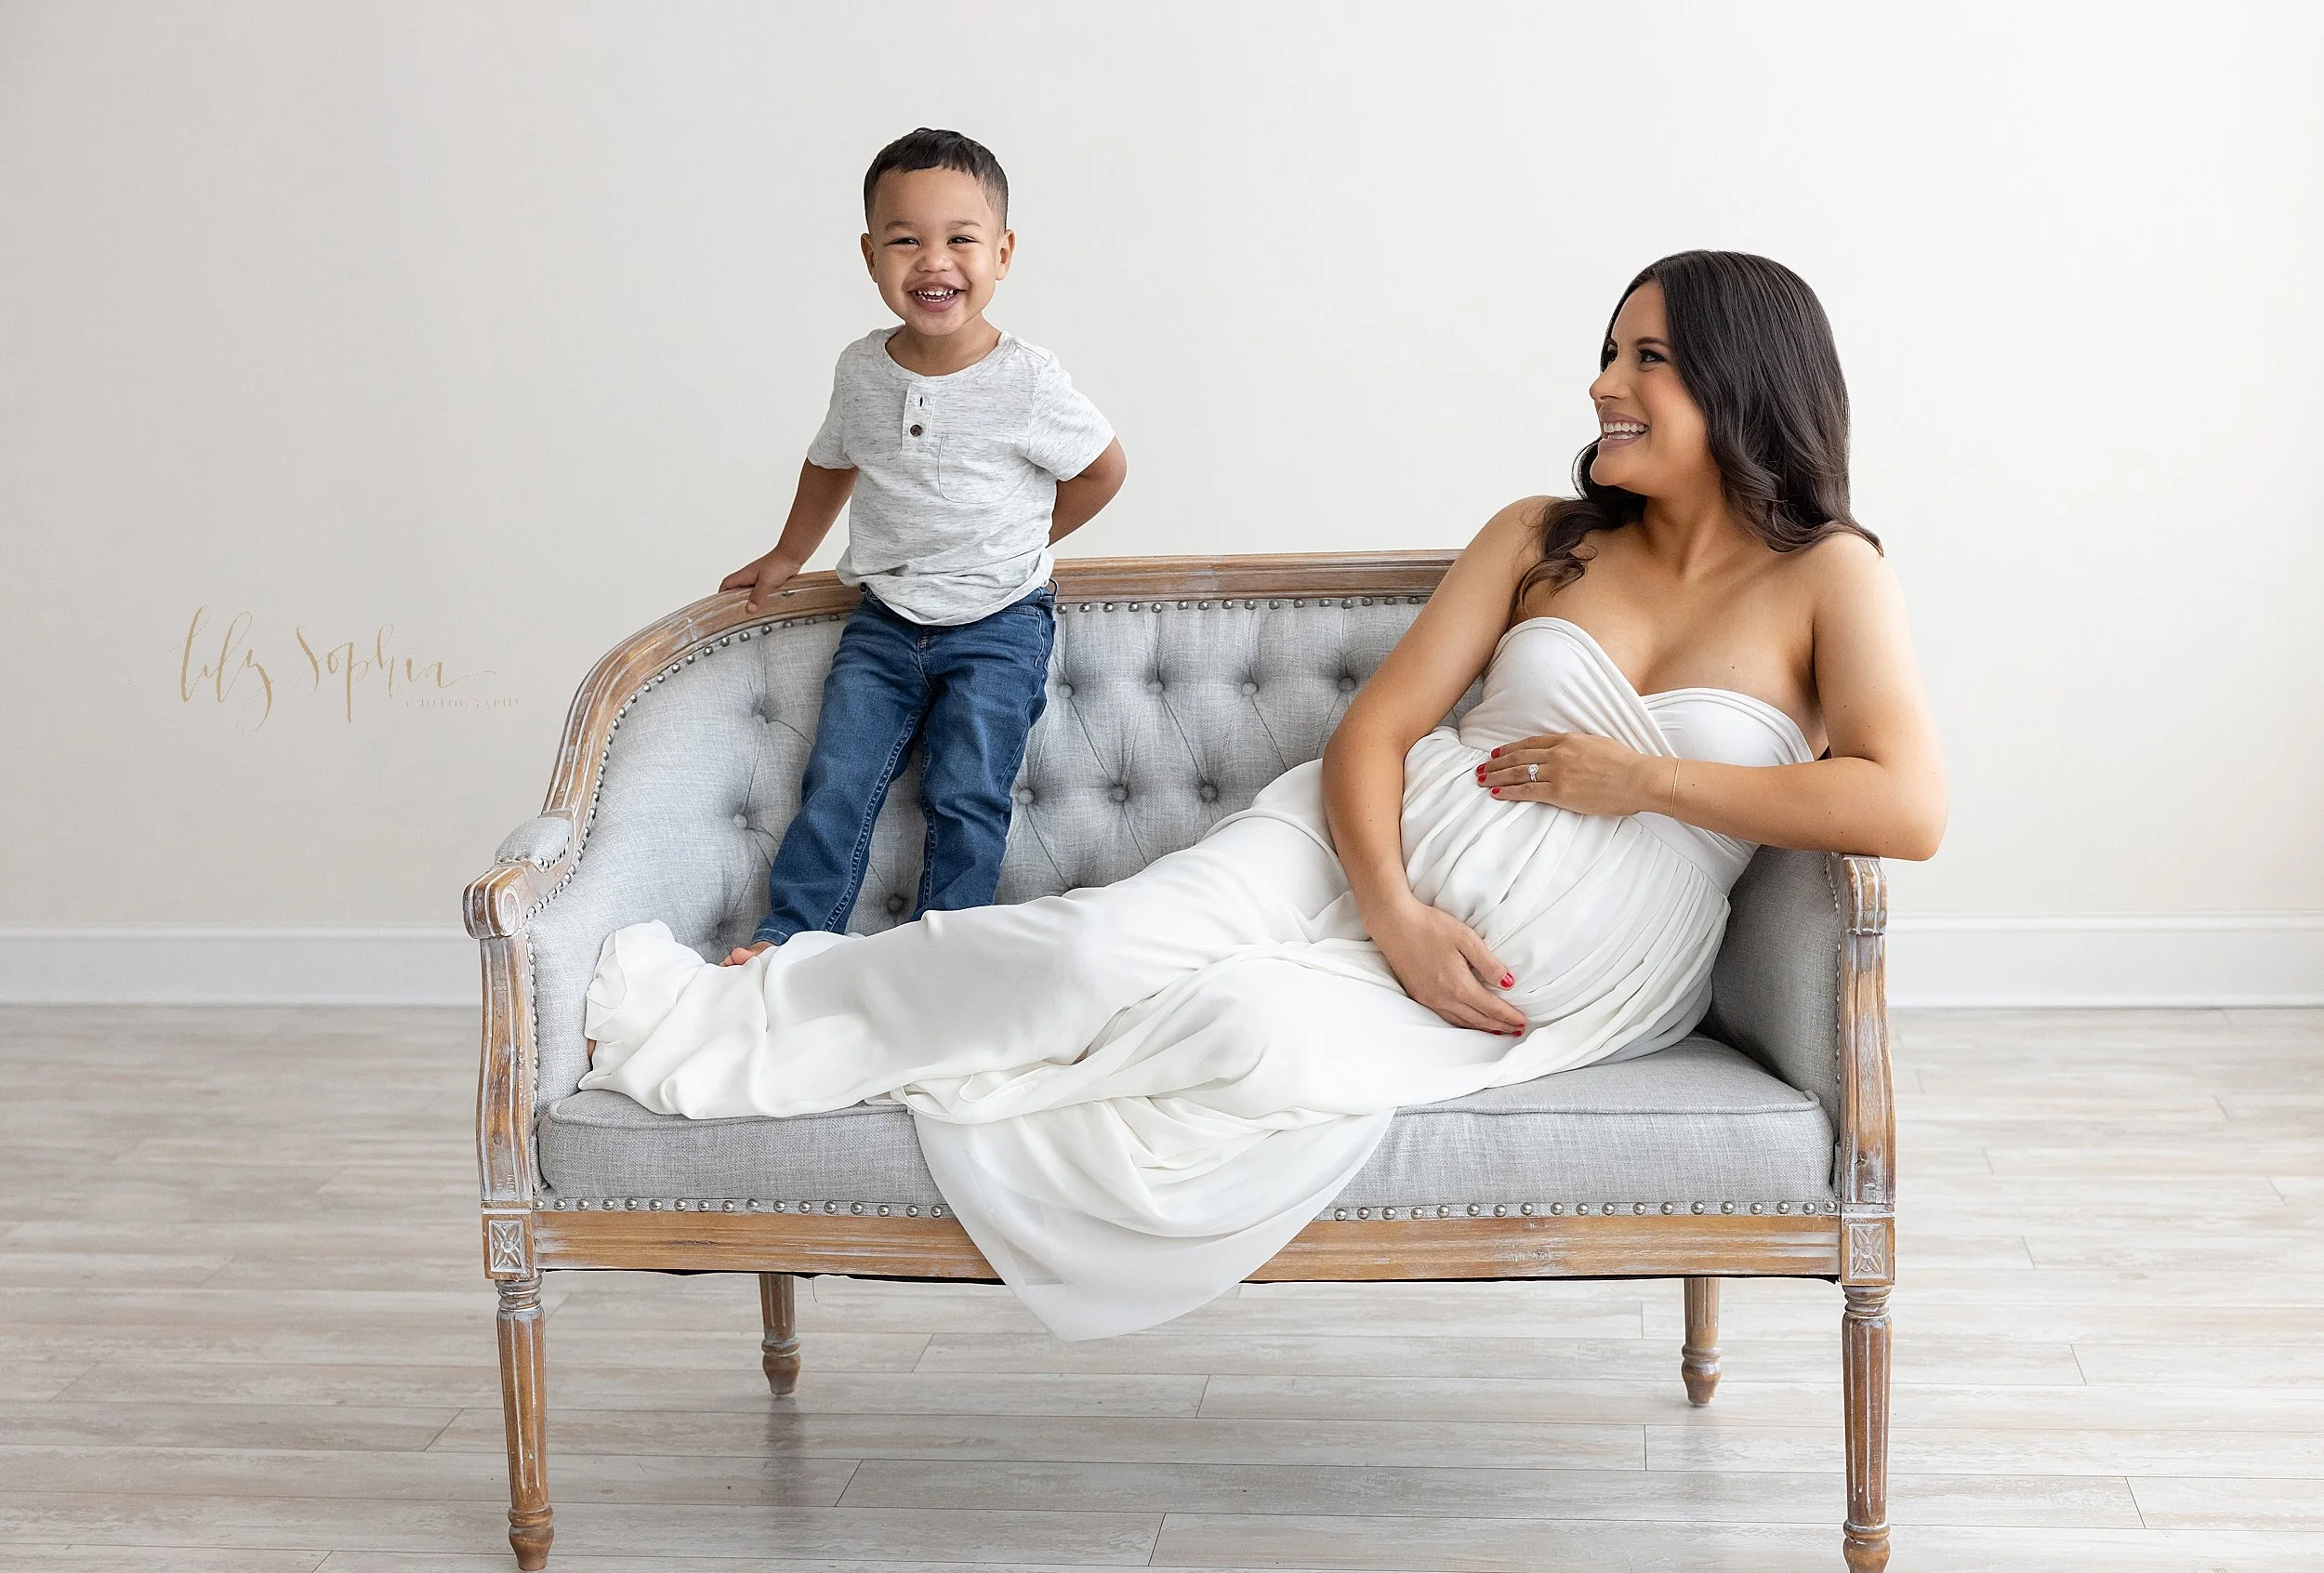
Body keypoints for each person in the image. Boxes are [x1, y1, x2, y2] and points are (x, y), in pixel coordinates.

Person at [585, 251, 1947, 1341]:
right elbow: (1376, 735)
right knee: (1092, 951)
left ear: (1744, 379)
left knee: (1247, 1035)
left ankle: (955, 1075)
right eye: (1607, 352)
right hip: (1357, 849)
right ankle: (743, 1011)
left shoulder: (1828, 576)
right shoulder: (1541, 536)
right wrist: (1394, 911)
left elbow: (1908, 808)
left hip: (1561, 965)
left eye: (1647, 357)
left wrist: (1640, 777)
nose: (1604, 384)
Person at [717, 128, 1128, 958]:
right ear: (870, 256)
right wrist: (788, 555)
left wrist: (1021, 539)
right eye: (906, 240)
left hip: (1000, 622)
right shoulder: (861, 369)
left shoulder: (1028, 379)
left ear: (1002, 254)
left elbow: (1102, 471)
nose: (933, 261)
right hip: (885, 620)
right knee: (838, 780)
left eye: (961, 239)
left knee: (965, 791)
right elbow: (831, 462)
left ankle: (946, 950)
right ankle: (790, 940)